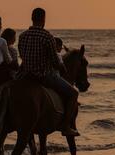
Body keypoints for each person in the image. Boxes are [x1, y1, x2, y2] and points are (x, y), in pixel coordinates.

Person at [17, 8, 80, 137]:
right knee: (73, 93)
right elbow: (54, 60)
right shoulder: (47, 36)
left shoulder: (22, 36)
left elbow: (22, 56)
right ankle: (66, 127)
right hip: (43, 76)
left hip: (25, 76)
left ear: (32, 18)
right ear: (44, 19)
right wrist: (62, 67)